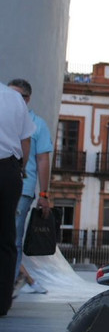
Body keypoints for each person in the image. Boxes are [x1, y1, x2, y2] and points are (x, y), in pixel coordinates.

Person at [8, 80, 52, 298]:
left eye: (18, 96)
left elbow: (43, 159)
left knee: (13, 237)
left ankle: (10, 283)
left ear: (27, 99)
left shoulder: (37, 124)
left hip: (23, 187)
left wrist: (44, 194)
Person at [0, 84, 35, 317]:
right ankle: (2, 302)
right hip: (7, 170)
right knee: (5, 237)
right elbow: (25, 142)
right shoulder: (13, 98)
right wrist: (18, 169)